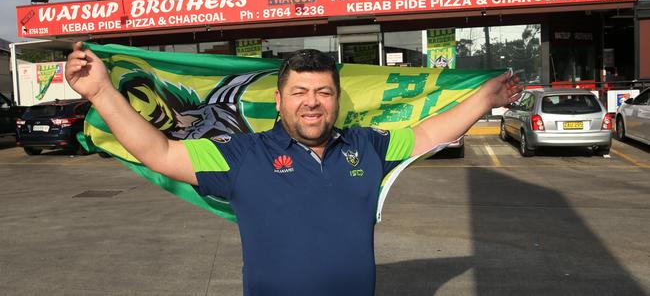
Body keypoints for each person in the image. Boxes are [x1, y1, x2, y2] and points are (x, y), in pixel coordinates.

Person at [65, 42, 522, 296]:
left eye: (323, 92)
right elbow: (161, 152)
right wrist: (102, 92)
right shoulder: (242, 154)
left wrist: (486, 99)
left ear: (336, 100)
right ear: (280, 101)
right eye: (300, 92)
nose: (312, 102)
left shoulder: (367, 146)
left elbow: (428, 134)